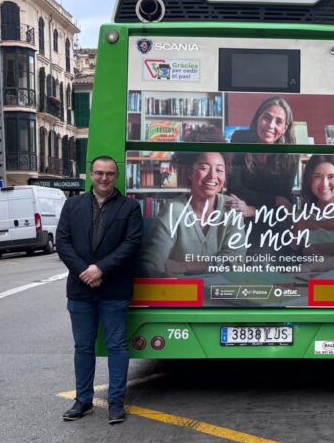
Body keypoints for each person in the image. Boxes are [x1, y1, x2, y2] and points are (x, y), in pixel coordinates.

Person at [56, 155, 143, 425]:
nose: (104, 178)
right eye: (99, 173)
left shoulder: (130, 208)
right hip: (81, 290)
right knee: (83, 346)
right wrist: (85, 271)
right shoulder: (72, 205)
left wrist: (100, 269)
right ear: (90, 175)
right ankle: (83, 401)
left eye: (109, 174)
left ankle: (116, 402)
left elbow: (131, 245)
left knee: (117, 346)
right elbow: (62, 242)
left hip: (114, 289)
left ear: (117, 177)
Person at [140, 148, 247, 277]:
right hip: (181, 292)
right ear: (189, 172)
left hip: (219, 293)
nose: (213, 176)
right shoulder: (173, 211)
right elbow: (151, 263)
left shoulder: (232, 208)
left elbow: (235, 262)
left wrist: (184, 266)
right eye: (204, 168)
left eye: (219, 170)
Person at [226, 97, 298, 217]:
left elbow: (283, 204)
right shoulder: (239, 138)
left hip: (272, 218)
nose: (271, 125)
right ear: (258, 119)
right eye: (266, 118)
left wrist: (252, 210)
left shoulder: (291, 154)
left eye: (278, 122)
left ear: (285, 128)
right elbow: (235, 189)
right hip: (239, 214)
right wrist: (275, 200)